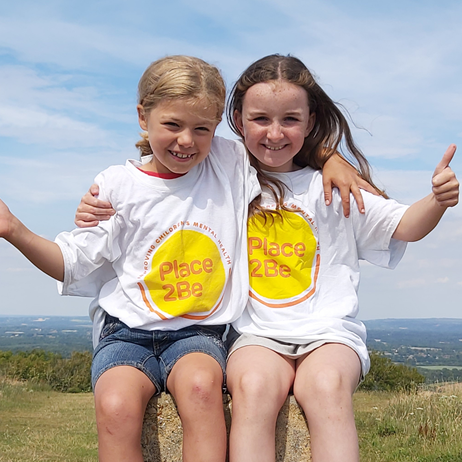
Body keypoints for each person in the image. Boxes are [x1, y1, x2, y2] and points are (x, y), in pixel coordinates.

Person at [0, 55, 259, 462]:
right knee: (116, 405)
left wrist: (333, 160)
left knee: (201, 388)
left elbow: (287, 148)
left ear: (217, 128)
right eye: (172, 125)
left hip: (198, 333)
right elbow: (71, 262)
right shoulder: (118, 186)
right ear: (143, 116)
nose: (187, 140)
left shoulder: (229, 163)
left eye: (202, 128)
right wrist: (13, 230)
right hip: (125, 334)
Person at [223, 54, 459, 462]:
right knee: (253, 386)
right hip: (256, 333)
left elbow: (404, 225)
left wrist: (437, 201)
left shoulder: (333, 186)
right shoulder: (225, 176)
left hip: (330, 333)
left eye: (291, 120)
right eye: (260, 119)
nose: (275, 133)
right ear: (239, 121)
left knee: (327, 385)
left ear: (310, 121)